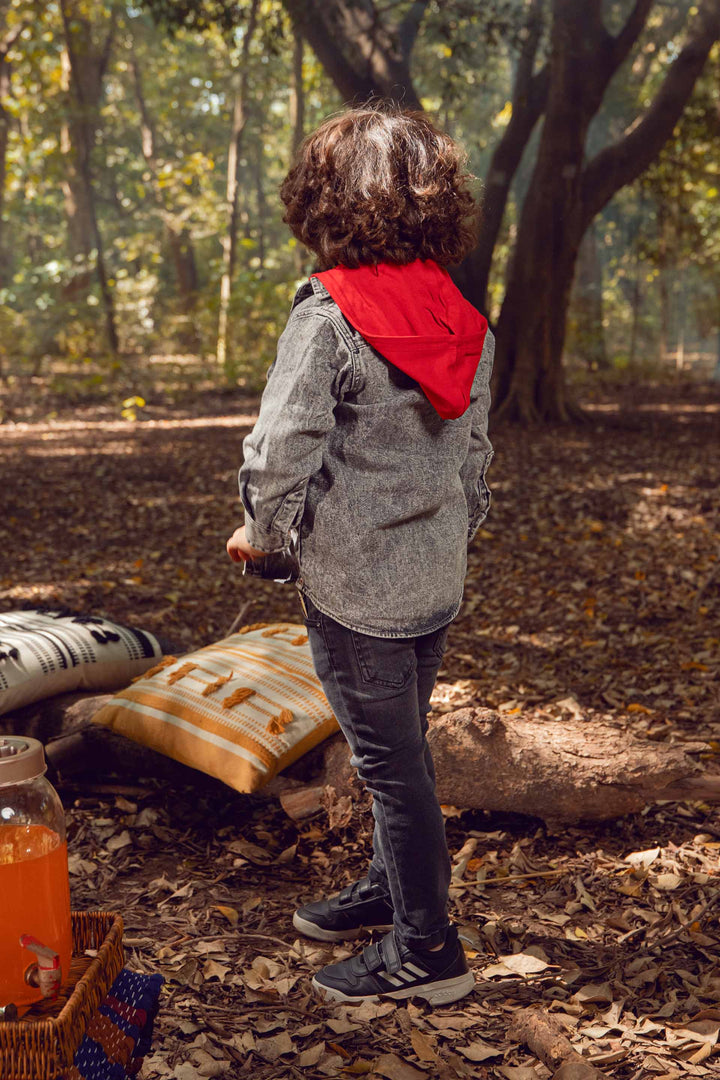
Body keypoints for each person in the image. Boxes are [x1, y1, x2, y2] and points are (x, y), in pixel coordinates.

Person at [227, 107, 494, 1005]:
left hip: (355, 592)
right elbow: (475, 458)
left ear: (328, 199)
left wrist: (264, 534)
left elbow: (279, 448)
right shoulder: (461, 316)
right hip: (432, 579)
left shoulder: (330, 313)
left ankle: (426, 950)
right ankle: (389, 888)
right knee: (401, 746)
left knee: (391, 766)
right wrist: (449, 539)